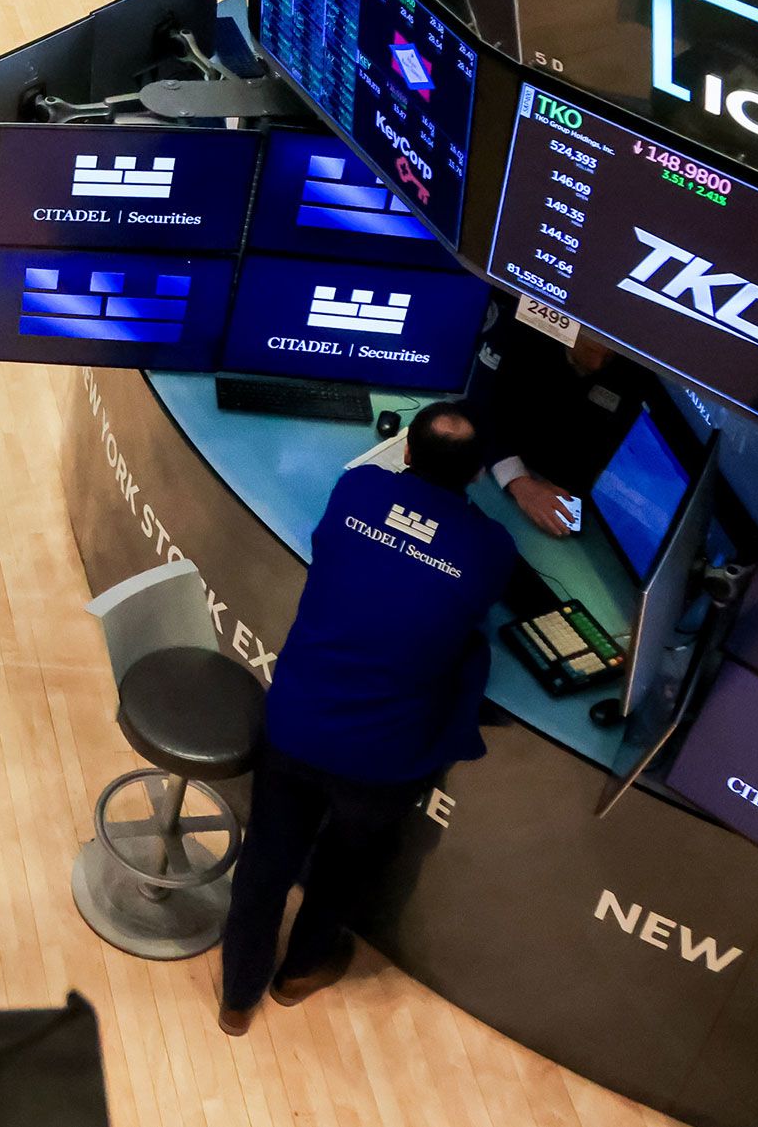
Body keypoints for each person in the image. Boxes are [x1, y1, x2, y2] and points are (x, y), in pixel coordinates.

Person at [218, 404, 516, 1036]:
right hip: (384, 762)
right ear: (479, 473)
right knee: (345, 866)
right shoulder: (491, 548)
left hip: (296, 726)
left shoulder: (359, 488)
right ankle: (299, 972)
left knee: (267, 861)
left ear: (406, 453)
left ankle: (237, 997)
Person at [461, 303, 661, 536]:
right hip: (504, 461)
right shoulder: (523, 329)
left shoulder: (638, 372)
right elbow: (480, 408)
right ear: (567, 329)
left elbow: (621, 448)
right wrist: (520, 483)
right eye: (590, 350)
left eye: (608, 356)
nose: (597, 365)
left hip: (571, 490)